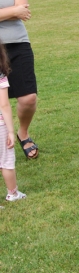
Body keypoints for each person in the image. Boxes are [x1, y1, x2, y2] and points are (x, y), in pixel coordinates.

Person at [0, 0, 38, 159]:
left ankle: (23, 132)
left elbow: (23, 9)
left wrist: (16, 10)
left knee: (28, 98)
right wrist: (12, 10)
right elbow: (17, 10)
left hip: (17, 44)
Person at [0, 41, 26, 202]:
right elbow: (4, 104)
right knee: (7, 160)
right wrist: (10, 131)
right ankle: (13, 193)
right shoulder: (1, 77)